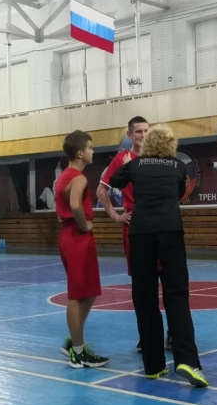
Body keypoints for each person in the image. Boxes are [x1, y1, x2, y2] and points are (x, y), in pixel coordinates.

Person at [109, 126, 207, 388]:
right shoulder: (178, 166)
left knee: (145, 297)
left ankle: (153, 366)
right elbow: (178, 193)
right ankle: (187, 361)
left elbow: (115, 181)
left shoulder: (135, 164)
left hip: (140, 232)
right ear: (171, 145)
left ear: (148, 143)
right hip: (170, 230)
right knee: (177, 294)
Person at [97, 116, 171, 353]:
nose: (143, 135)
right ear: (130, 135)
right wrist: (115, 215)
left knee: (168, 281)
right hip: (136, 225)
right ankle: (147, 334)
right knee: (143, 285)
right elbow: (101, 190)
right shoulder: (122, 160)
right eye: (138, 131)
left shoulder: (159, 158)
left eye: (147, 130)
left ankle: (172, 332)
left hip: (160, 224)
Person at [56, 131, 109, 369]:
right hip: (77, 237)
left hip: (69, 236)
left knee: (89, 291)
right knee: (77, 295)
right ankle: (78, 352)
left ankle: (74, 340)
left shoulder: (64, 176)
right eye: (90, 147)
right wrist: (84, 224)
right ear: (80, 153)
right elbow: (75, 205)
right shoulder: (78, 178)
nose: (93, 151)